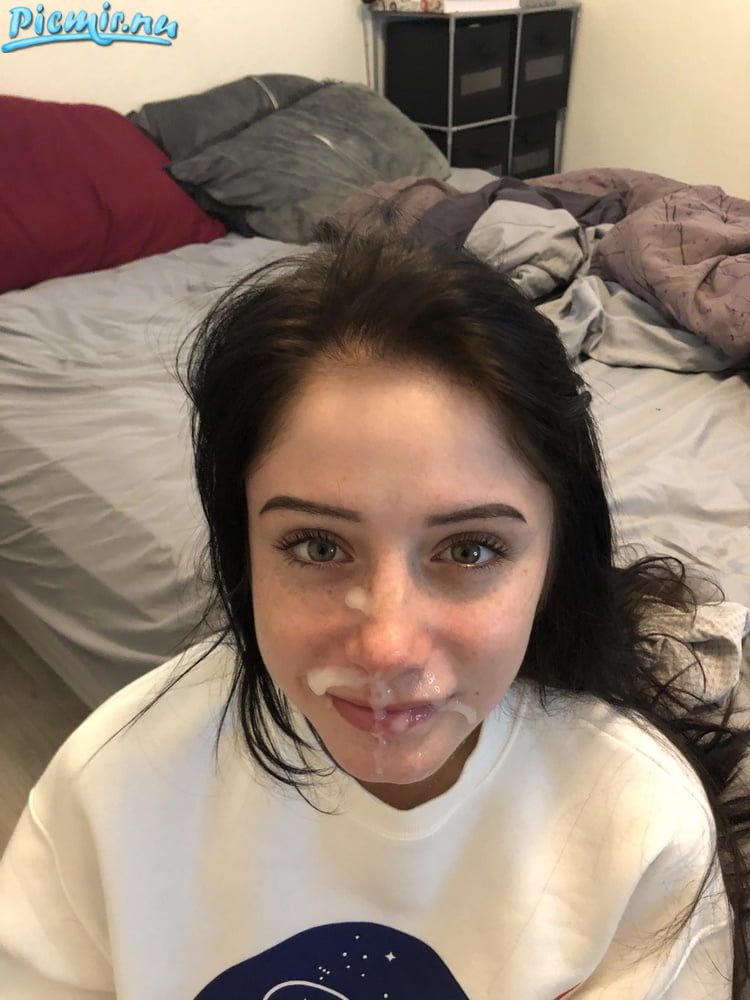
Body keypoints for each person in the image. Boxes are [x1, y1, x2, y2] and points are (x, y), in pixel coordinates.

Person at [1, 219, 749, 999]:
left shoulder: (639, 824)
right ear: (242, 549)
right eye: (319, 546)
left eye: (470, 550)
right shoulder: (110, 791)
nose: (388, 647)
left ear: (556, 560)